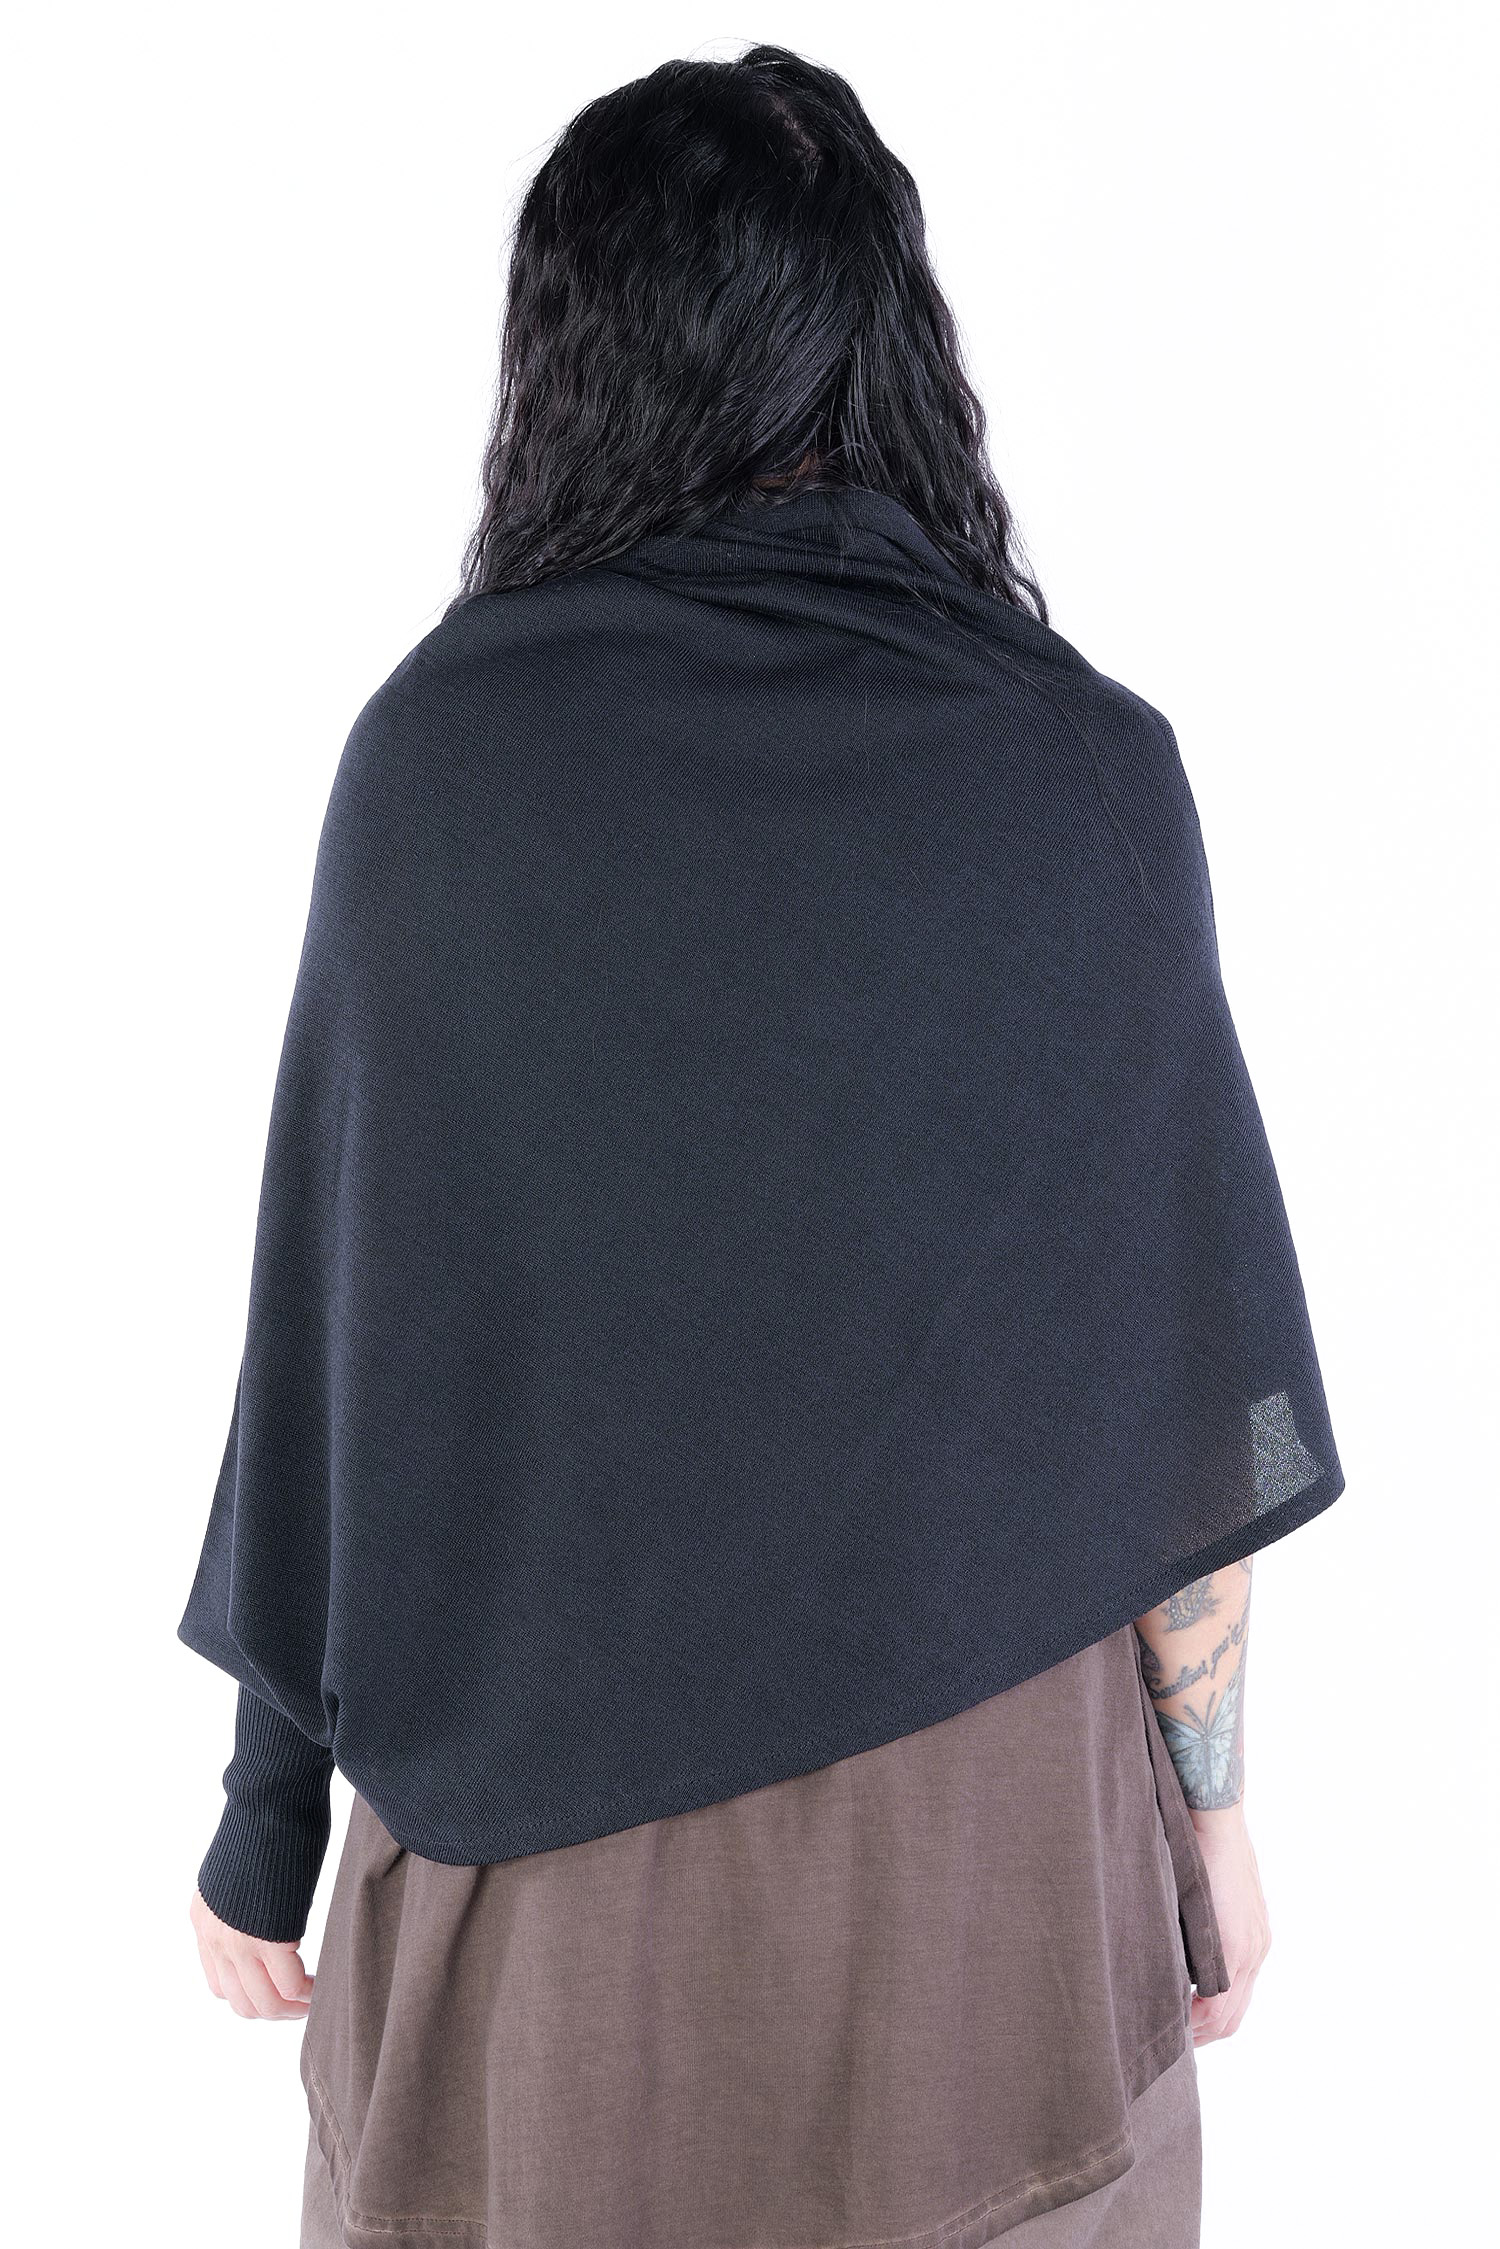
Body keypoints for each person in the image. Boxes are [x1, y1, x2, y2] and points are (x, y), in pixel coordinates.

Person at [180, 44, 1343, 2249]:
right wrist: (1208, 1811)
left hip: (541, 1880)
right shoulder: (1084, 775)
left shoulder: (442, 765)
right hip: (994, 1882)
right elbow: (1186, 1378)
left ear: (575, 365)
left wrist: (267, 1810)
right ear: (894, 349)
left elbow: (345, 1339)